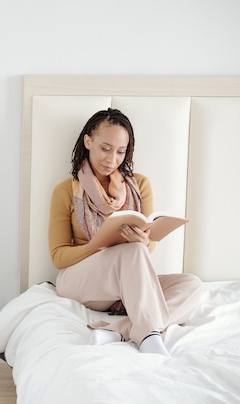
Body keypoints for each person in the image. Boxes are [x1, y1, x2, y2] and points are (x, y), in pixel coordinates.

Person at [49, 108, 203, 357]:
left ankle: (120, 329)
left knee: (191, 285)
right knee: (130, 250)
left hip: (126, 280)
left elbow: (148, 245)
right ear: (88, 141)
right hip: (80, 282)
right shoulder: (66, 190)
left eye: (121, 152)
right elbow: (57, 256)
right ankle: (148, 336)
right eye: (105, 148)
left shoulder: (140, 184)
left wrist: (145, 241)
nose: (112, 159)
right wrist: (98, 245)